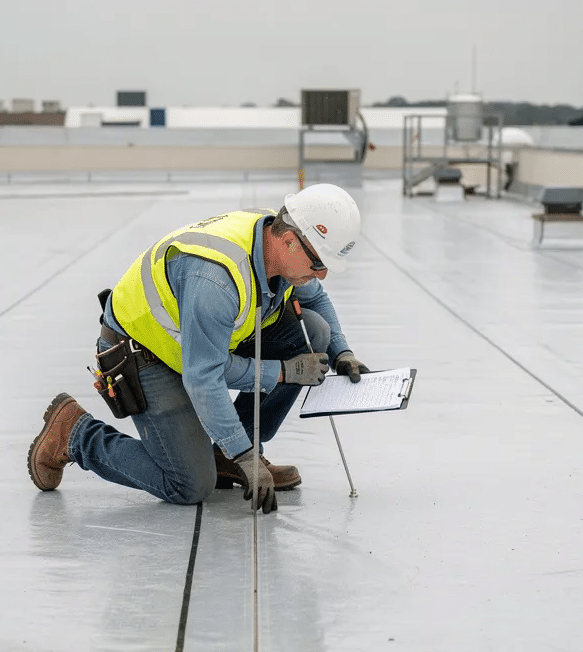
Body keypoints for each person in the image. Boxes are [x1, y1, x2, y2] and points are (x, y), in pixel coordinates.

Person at [26, 183, 370, 514]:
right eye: (317, 264)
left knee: (315, 332)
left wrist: (342, 353)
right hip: (146, 356)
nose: (322, 274)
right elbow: (205, 375)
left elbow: (317, 299)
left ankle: (225, 453)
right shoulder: (216, 280)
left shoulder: (273, 239)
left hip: (199, 347)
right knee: (189, 485)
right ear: (291, 241)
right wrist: (248, 450)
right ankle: (75, 434)